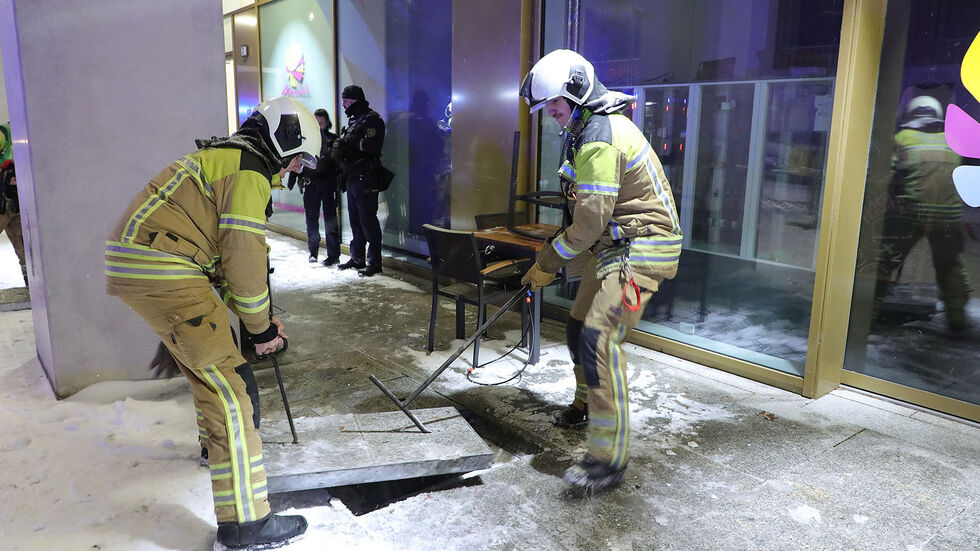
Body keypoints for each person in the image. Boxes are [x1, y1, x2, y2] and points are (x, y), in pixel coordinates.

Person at [105, 96, 319, 550]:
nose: (295, 172)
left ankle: (212, 448)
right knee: (232, 393)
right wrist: (260, 330)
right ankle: (246, 523)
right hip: (164, 268)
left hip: (148, 264)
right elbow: (243, 260)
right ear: (286, 139)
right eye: (299, 159)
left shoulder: (227, 158)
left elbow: (218, 257)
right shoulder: (248, 170)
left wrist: (247, 316)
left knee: (210, 377)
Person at [519, 50, 682, 491]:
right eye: (545, 106)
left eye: (553, 102)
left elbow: (589, 221)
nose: (549, 112)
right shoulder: (586, 130)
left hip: (645, 247)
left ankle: (608, 458)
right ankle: (583, 402)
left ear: (577, 92)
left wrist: (547, 263)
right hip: (616, 245)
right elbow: (590, 216)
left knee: (599, 338)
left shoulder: (600, 137)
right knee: (577, 328)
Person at [874, 95, 971, 333]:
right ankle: (957, 321)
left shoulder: (903, 138)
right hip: (948, 217)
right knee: (949, 268)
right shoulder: (952, 141)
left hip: (910, 213)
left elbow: (885, 174)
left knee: (885, 263)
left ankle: (866, 314)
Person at [333, 85, 387, 277]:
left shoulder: (372, 120)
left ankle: (374, 262)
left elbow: (372, 147)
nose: (343, 104)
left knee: (368, 220)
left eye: (346, 101)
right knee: (355, 220)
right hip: (353, 176)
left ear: (355, 100)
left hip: (367, 177)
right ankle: (357, 258)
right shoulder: (355, 120)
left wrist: (350, 143)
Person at [297, 108, 342, 266]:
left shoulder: (333, 139)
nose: (318, 126)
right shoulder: (306, 140)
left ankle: (333, 254)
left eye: (321, 123)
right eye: (316, 123)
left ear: (327, 123)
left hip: (328, 184)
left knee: (330, 220)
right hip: (311, 184)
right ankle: (313, 252)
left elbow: (338, 163)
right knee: (311, 220)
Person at [0, 158, 28, 287]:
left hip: (6, 206)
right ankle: (29, 280)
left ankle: (29, 277)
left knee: (21, 246)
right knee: (21, 246)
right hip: (16, 206)